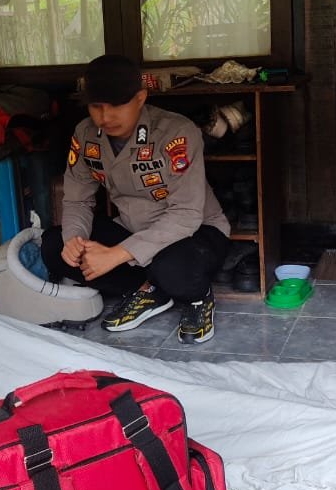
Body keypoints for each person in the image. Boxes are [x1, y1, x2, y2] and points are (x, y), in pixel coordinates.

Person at [41, 55, 231, 344]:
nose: (105, 117)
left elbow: (186, 215)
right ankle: (149, 289)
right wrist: (74, 240)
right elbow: (78, 200)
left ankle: (197, 297)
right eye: (96, 106)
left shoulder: (176, 133)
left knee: (172, 267)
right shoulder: (86, 134)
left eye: (116, 105)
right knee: (54, 246)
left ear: (140, 98)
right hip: (133, 230)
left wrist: (117, 254)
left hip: (194, 233)